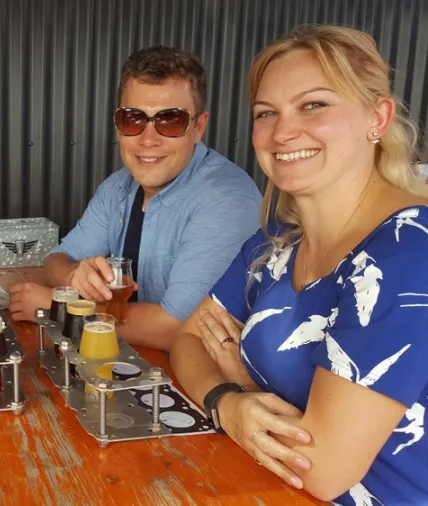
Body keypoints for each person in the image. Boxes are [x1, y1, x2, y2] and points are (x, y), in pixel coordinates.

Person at [170, 24, 428, 505]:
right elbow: (187, 340)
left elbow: (321, 468)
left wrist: (246, 383)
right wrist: (227, 402)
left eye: (314, 104)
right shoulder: (274, 246)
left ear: (378, 117)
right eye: (266, 113)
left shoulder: (407, 253)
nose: (283, 131)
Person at [9, 46, 261, 351]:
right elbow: (55, 261)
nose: (148, 139)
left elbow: (180, 328)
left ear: (199, 127)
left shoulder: (227, 199)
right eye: (133, 119)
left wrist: (58, 308)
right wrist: (75, 276)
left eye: (170, 121)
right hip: (124, 362)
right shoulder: (118, 186)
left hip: (193, 387)